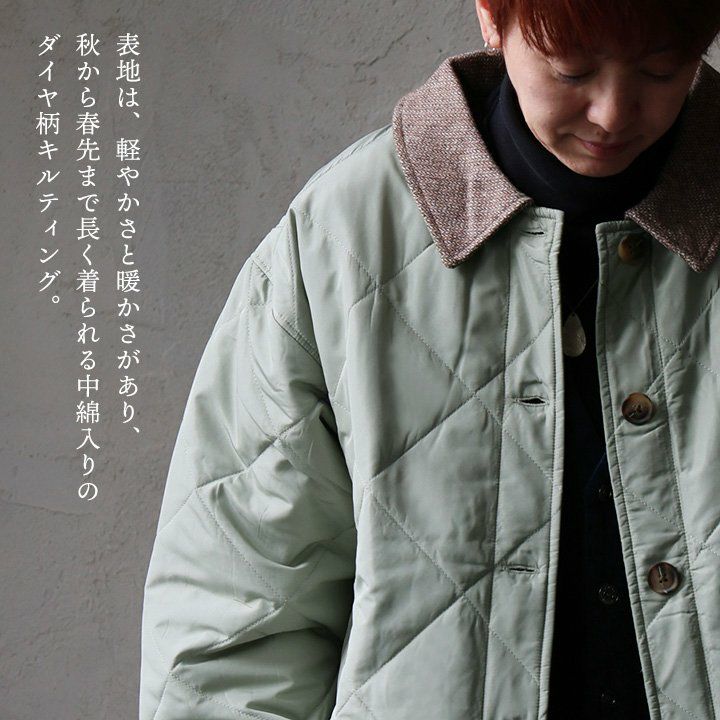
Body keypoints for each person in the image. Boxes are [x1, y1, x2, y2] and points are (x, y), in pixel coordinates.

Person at [139, 1, 720, 718]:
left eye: (661, 70)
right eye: (572, 71)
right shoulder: (343, 239)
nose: (612, 113)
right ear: (492, 15)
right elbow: (237, 611)